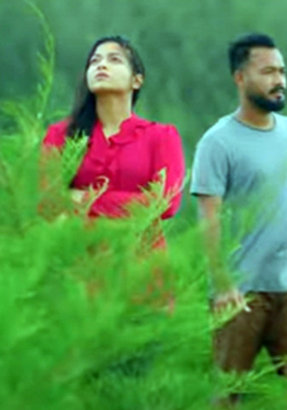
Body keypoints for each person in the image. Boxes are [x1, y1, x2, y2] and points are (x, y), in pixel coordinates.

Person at [190, 33, 287, 406]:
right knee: (227, 395)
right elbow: (208, 220)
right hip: (241, 293)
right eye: (268, 72)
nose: (279, 80)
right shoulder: (217, 142)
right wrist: (223, 283)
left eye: (281, 71)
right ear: (240, 78)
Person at [39, 35, 186, 311]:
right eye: (94, 61)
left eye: (114, 59)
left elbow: (165, 202)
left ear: (136, 80)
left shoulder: (160, 137)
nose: (101, 65)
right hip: (78, 273)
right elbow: (48, 203)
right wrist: (130, 202)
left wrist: (85, 199)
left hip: (143, 271)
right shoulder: (60, 135)